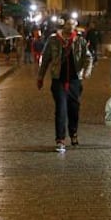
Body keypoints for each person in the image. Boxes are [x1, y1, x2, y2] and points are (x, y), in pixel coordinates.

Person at [37, 16, 93, 152]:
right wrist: (40, 77)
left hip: (75, 80)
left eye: (73, 26)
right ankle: (60, 140)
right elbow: (45, 60)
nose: (71, 29)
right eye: (69, 26)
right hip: (58, 80)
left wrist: (87, 71)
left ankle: (73, 133)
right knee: (61, 109)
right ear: (64, 27)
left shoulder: (80, 41)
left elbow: (88, 57)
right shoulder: (53, 40)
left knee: (74, 109)